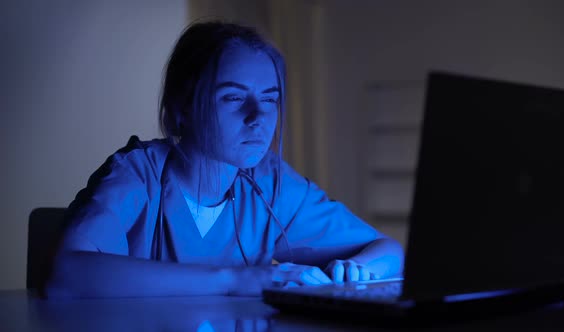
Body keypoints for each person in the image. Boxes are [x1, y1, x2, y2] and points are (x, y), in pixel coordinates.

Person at [46, 21, 404, 298]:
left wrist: (352, 270)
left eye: (270, 99)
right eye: (233, 98)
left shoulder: (271, 184)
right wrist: (236, 278)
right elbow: (67, 276)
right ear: (182, 108)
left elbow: (390, 252)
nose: (258, 116)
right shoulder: (138, 174)